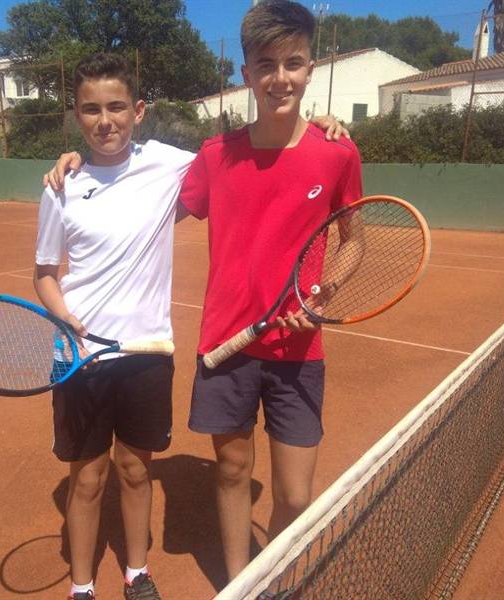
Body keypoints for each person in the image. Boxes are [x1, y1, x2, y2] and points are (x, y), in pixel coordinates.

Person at [176, 0, 363, 592]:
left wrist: (324, 293)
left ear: (310, 69)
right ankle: (242, 585)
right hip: (226, 343)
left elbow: (354, 241)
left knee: (296, 495)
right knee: (233, 471)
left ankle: (273, 578)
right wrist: (84, 163)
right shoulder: (216, 155)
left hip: (298, 351)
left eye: (293, 63)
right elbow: (154, 202)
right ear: (246, 74)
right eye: (266, 65)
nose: (280, 77)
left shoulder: (337, 152)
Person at [34, 52, 196, 600]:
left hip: (147, 351)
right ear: (77, 115)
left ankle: (136, 573)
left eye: (117, 107)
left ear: (139, 110)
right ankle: (81, 586)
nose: (105, 120)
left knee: (135, 471)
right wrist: (62, 314)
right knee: (87, 478)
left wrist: (315, 122)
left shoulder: (169, 164)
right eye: (91, 109)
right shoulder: (60, 186)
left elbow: (239, 153)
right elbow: (45, 274)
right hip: (80, 357)